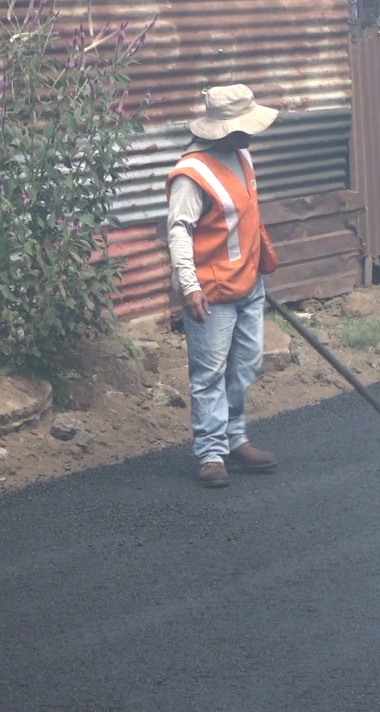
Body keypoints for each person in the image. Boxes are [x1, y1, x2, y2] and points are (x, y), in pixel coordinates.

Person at [166, 84, 280, 488]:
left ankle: (235, 438)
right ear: (225, 129)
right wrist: (188, 285)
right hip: (211, 292)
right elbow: (179, 232)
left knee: (245, 364)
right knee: (209, 374)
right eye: (245, 126)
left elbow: (247, 219)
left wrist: (259, 263)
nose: (252, 133)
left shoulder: (242, 155)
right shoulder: (191, 174)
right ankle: (212, 453)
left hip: (249, 284)